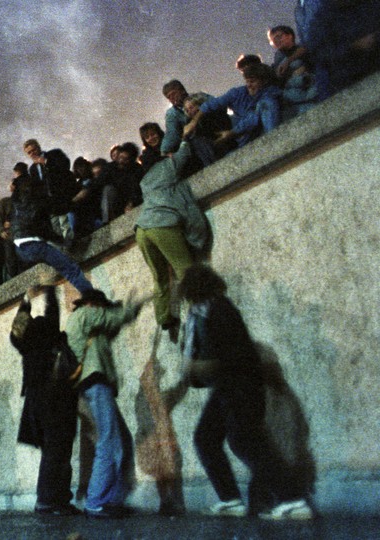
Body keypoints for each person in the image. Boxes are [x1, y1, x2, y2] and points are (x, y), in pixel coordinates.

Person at [178, 264, 313, 520]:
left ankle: (292, 500)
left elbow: (232, 357)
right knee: (206, 438)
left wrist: (194, 366)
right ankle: (231, 500)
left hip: (241, 385)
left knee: (244, 440)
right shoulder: (202, 313)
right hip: (225, 387)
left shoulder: (219, 310)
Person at [67, 289, 148, 519]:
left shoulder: (89, 325)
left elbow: (112, 326)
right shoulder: (86, 313)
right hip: (96, 383)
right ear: (94, 304)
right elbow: (112, 318)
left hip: (96, 385)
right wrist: (131, 308)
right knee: (110, 441)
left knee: (122, 440)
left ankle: (112, 499)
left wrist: (126, 312)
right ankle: (96, 501)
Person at [9, 284, 79, 515]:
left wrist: (26, 300)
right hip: (56, 397)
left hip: (36, 401)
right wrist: (49, 290)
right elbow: (52, 313)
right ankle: (53, 500)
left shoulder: (24, 344)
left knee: (52, 451)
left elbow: (17, 326)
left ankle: (50, 499)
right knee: (59, 451)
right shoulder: (49, 335)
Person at [134, 139, 210, 342]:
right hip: (162, 224)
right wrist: (184, 139)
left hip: (142, 230)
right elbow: (185, 153)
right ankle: (201, 308)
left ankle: (164, 317)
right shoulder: (167, 166)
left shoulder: (144, 181)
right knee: (185, 269)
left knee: (159, 277)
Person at [10, 174, 94, 294]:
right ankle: (94, 299)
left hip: (20, 249)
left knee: (51, 268)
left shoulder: (16, 201)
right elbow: (58, 210)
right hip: (34, 244)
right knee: (70, 269)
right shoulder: (38, 198)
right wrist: (77, 199)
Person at [184, 64, 281, 149]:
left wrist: (232, 133)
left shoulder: (270, 93)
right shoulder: (238, 93)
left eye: (252, 81)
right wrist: (194, 122)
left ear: (263, 82)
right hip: (243, 139)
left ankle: (273, 141)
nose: (249, 85)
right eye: (247, 82)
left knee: (267, 103)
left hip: (260, 132)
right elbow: (213, 103)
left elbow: (253, 119)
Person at [23, 139, 80, 244]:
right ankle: (65, 246)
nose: (32, 154)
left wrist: (45, 162)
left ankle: (72, 244)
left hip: (63, 196)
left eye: (33, 150)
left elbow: (65, 165)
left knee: (66, 224)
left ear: (38, 147)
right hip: (50, 203)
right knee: (56, 227)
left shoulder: (54, 154)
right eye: (29, 152)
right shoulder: (32, 169)